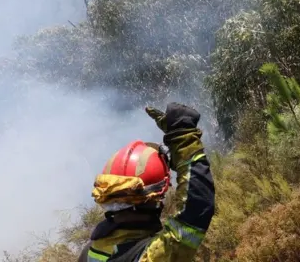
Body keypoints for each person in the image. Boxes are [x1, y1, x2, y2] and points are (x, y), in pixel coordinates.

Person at [80, 103, 215, 262]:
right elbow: (196, 211)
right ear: (153, 199)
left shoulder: (90, 251)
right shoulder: (148, 256)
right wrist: (184, 142)